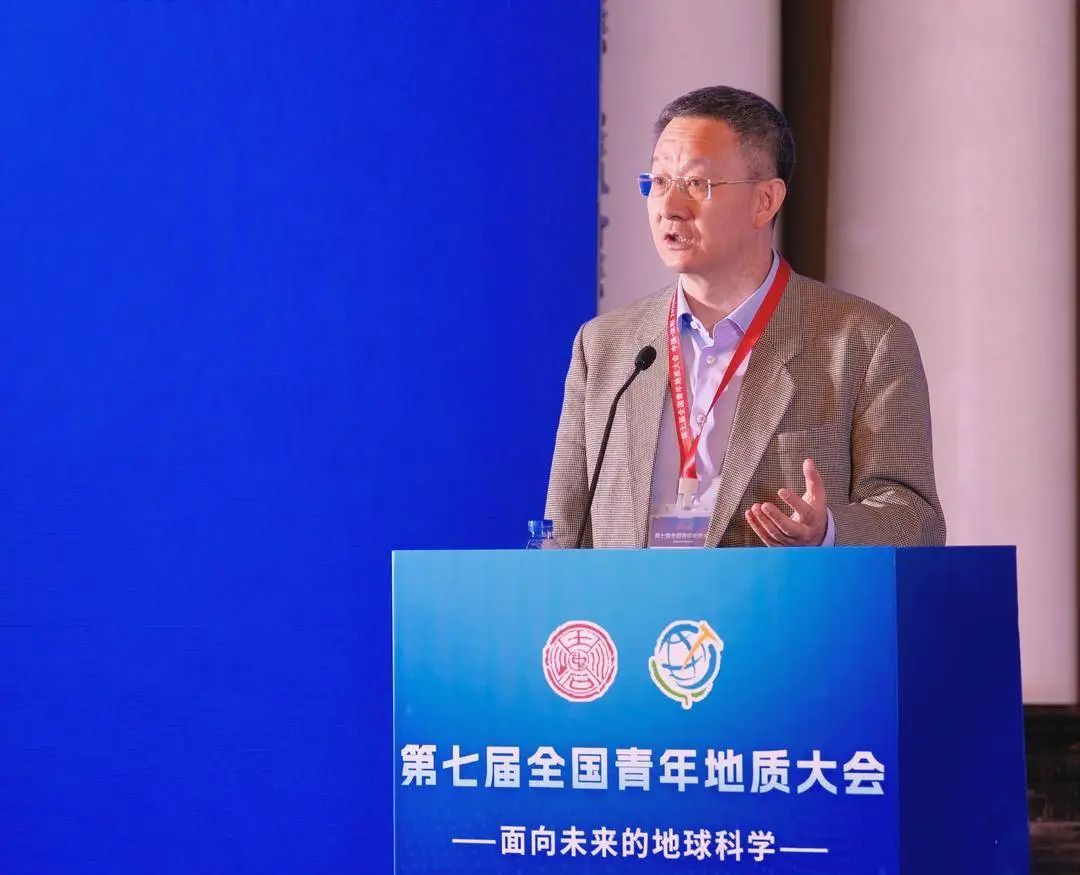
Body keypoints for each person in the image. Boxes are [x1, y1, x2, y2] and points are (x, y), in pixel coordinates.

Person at [545, 85, 945, 549]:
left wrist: (827, 532)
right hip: (632, 600)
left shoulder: (866, 343)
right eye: (658, 182)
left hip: (781, 597)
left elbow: (916, 519)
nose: (669, 207)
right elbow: (562, 534)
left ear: (765, 201)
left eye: (696, 184)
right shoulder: (604, 346)